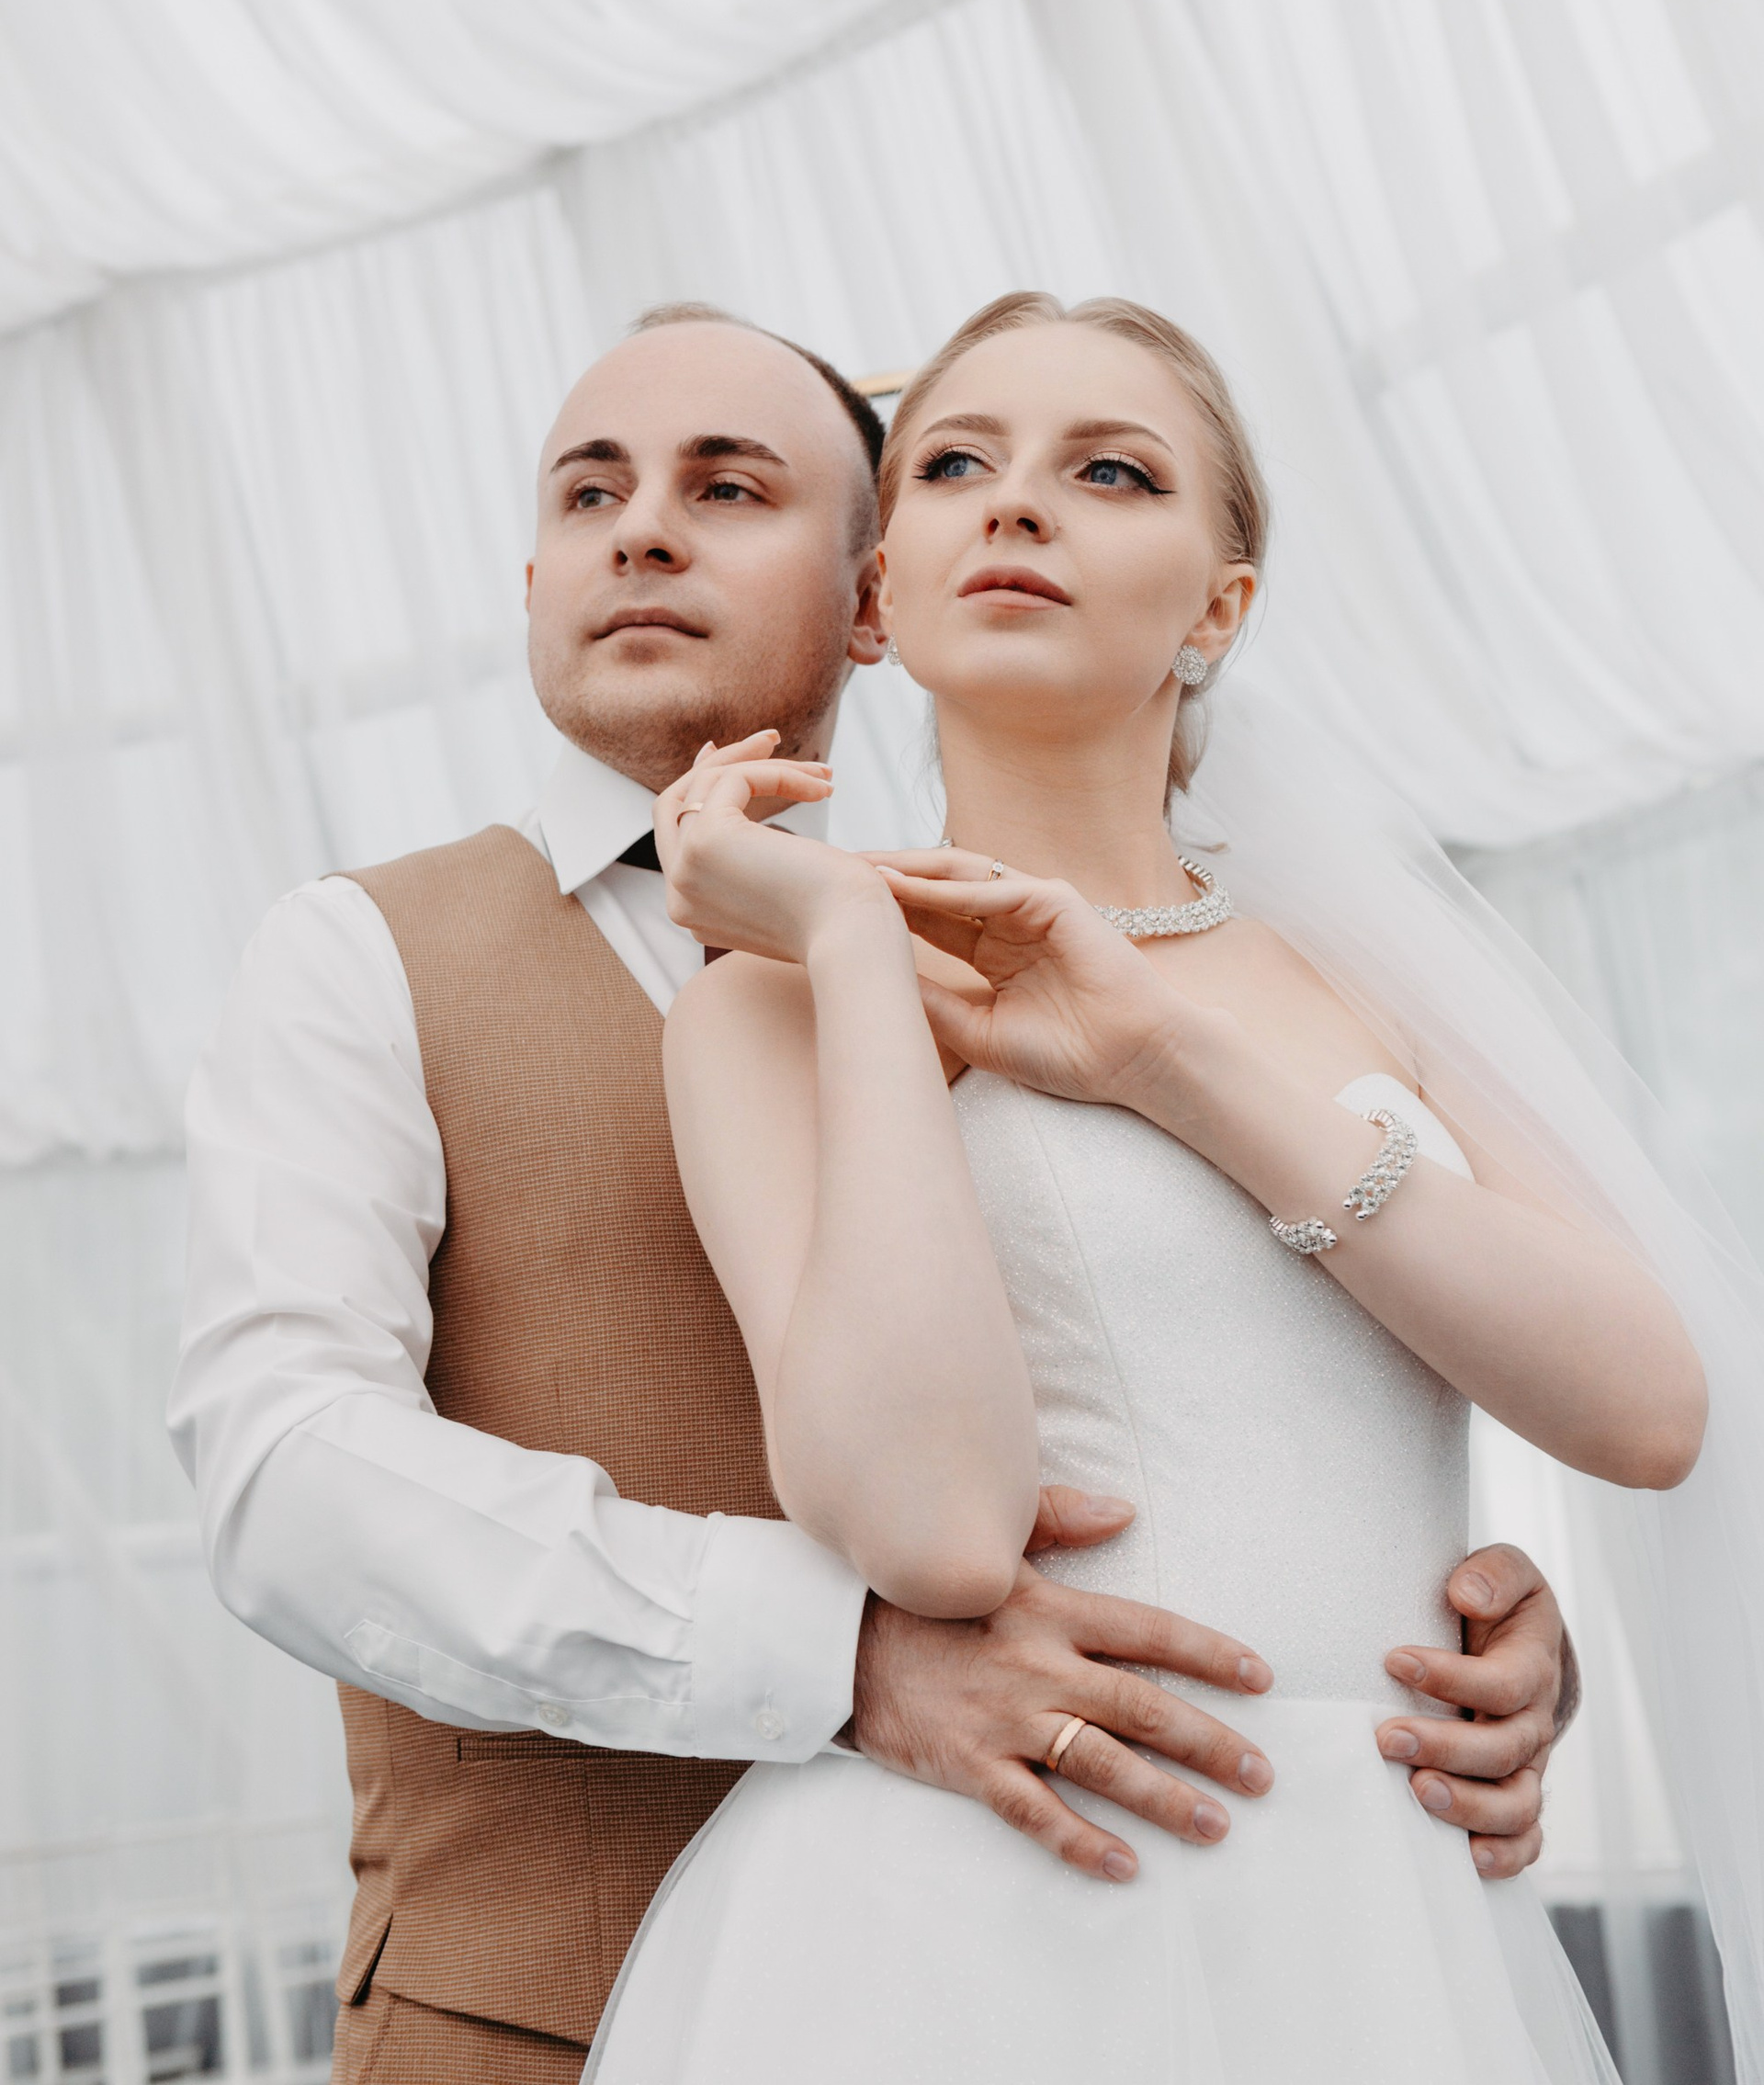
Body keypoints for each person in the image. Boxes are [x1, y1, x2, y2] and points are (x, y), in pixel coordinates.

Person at [171, 304, 1578, 2085]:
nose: (643, 530)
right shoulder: (361, 951)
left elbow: (1219, 1364)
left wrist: (1458, 1627)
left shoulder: (1037, 963)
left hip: (1147, 1970)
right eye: (590, 492)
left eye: (729, 488)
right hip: (534, 2018)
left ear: (873, 596)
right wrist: (838, 1653)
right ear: (530, 580)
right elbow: (285, 1471)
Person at [586, 292, 1709, 2084]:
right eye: (957, 466)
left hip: (1379, 1919)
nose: (1020, 502)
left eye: (1110, 471)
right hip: (968, 1924)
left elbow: (1648, 1413)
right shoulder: (771, 1004)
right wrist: (855, 941)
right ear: (881, 599)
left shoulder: (1372, 976)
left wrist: (1165, 1061)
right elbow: (934, 1531)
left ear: (1220, 608)